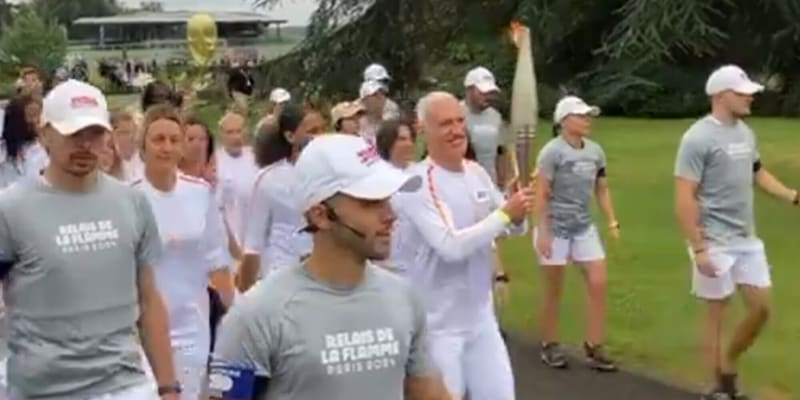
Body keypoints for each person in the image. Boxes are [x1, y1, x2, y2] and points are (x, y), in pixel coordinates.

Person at [211, 134, 452, 400]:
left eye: (388, 200)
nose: (390, 215)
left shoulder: (404, 298)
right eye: (370, 203)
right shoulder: (257, 314)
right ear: (321, 215)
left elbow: (430, 393)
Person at [0, 79, 179, 399]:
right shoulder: (10, 209)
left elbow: (149, 299)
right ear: (45, 135)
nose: (85, 145)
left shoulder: (132, 202)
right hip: (42, 391)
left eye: (94, 134)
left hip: (125, 386)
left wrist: (168, 387)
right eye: (73, 134)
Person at [393, 91, 532, 399]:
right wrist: (506, 214)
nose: (457, 130)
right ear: (422, 130)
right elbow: (450, 246)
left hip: (481, 320)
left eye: (459, 121)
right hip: (437, 328)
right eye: (445, 124)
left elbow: (512, 227)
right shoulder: (416, 184)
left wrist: (520, 208)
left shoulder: (476, 173)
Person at [674, 65, 798, 400]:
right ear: (720, 96)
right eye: (742, 93)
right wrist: (698, 248)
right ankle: (716, 386)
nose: (750, 98)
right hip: (713, 240)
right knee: (716, 312)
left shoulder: (745, 132)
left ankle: (727, 364)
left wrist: (792, 195)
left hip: (746, 239)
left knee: (762, 308)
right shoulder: (697, 138)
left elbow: (757, 172)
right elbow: (684, 196)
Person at [133, 104, 235, 399]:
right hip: (143, 332)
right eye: (158, 139)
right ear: (144, 146)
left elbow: (218, 262)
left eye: (174, 140)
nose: (166, 147)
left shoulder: (200, 192)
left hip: (193, 328)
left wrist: (236, 316)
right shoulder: (129, 198)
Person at [532, 95, 620, 372]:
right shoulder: (552, 152)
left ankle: (594, 345)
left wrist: (611, 220)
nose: (587, 120)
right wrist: (543, 232)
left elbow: (601, 188)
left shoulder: (595, 151)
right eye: (581, 116)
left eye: (588, 116)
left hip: (583, 227)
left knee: (598, 282)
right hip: (555, 227)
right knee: (554, 289)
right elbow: (541, 194)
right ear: (564, 121)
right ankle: (550, 343)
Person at [238, 104, 326, 292]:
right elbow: (253, 246)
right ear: (290, 136)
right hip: (282, 284)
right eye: (312, 131)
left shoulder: (333, 176)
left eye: (322, 130)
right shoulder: (269, 179)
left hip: (322, 284)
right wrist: (242, 299)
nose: (320, 137)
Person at [215, 111, 259, 259]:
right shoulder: (216, 161)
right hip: (230, 244)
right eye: (230, 132)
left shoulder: (255, 157)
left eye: (238, 131)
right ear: (221, 135)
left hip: (257, 240)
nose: (235, 137)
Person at [463, 66, 509, 187]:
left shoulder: (495, 117)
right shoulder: (455, 114)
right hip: (465, 183)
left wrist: (501, 184)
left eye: (491, 93)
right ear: (469, 90)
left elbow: (501, 152)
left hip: (490, 183)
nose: (488, 97)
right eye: (483, 93)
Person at [0, 94, 47, 188]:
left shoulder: (41, 150)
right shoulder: (3, 151)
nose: (35, 121)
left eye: (38, 116)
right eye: (30, 116)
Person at [111, 109, 144, 182]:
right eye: (123, 133)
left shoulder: (147, 161)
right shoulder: (108, 163)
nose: (131, 137)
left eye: (134, 132)